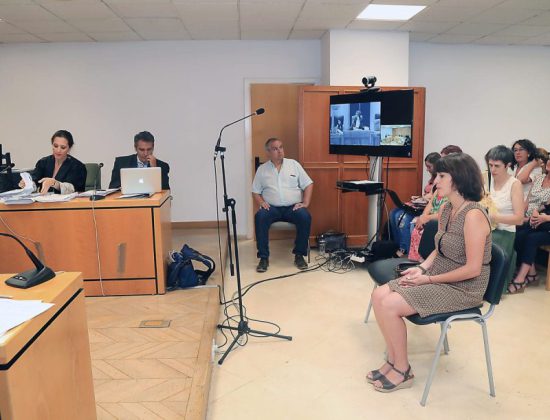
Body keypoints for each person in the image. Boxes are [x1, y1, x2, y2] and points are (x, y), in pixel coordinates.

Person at [368, 153, 491, 393]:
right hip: (439, 275)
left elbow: (473, 269)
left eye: (442, 176)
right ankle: (392, 361)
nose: (435, 182)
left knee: (390, 305)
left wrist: (429, 278)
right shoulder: (447, 208)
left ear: (459, 179)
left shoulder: (474, 215)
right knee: (378, 295)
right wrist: (421, 267)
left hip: (463, 288)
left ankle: (402, 370)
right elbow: (439, 248)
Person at [252, 138, 313, 272]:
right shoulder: (262, 169)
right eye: (275, 149)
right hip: (272, 208)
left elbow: (308, 184)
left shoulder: (294, 165)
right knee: (260, 217)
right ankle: (263, 258)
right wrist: (261, 202)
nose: (279, 151)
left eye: (281, 147)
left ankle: (299, 255)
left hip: (293, 207)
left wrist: (305, 202)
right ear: (268, 152)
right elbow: (255, 191)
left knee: (305, 216)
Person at [483, 146, 524, 291]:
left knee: (482, 247)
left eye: (497, 166)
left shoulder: (515, 184)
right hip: (486, 228)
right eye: (490, 165)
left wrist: (493, 216)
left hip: (504, 231)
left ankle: (488, 286)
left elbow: (519, 219)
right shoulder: (486, 179)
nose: (492, 169)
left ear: (508, 165)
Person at [509, 158, 550, 293]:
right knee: (518, 233)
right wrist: (530, 214)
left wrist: (544, 217)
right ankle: (531, 274)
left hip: (546, 224)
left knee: (530, 238)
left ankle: (520, 279)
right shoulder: (540, 178)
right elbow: (538, 203)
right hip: (539, 221)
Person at [388, 152, 440, 255]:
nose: (427, 169)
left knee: (402, 217)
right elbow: (430, 196)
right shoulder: (433, 178)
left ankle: (405, 249)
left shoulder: (441, 181)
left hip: (428, 209)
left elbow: (432, 197)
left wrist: (424, 200)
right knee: (394, 212)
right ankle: (398, 245)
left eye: (429, 167)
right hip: (423, 206)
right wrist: (420, 198)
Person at [22, 130, 86, 194]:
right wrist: (28, 184)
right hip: (44, 199)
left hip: (69, 200)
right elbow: (35, 181)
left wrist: (55, 183)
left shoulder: (78, 166)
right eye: (55, 146)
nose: (58, 150)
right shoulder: (43, 162)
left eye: (63, 147)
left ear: (69, 148)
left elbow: (73, 189)